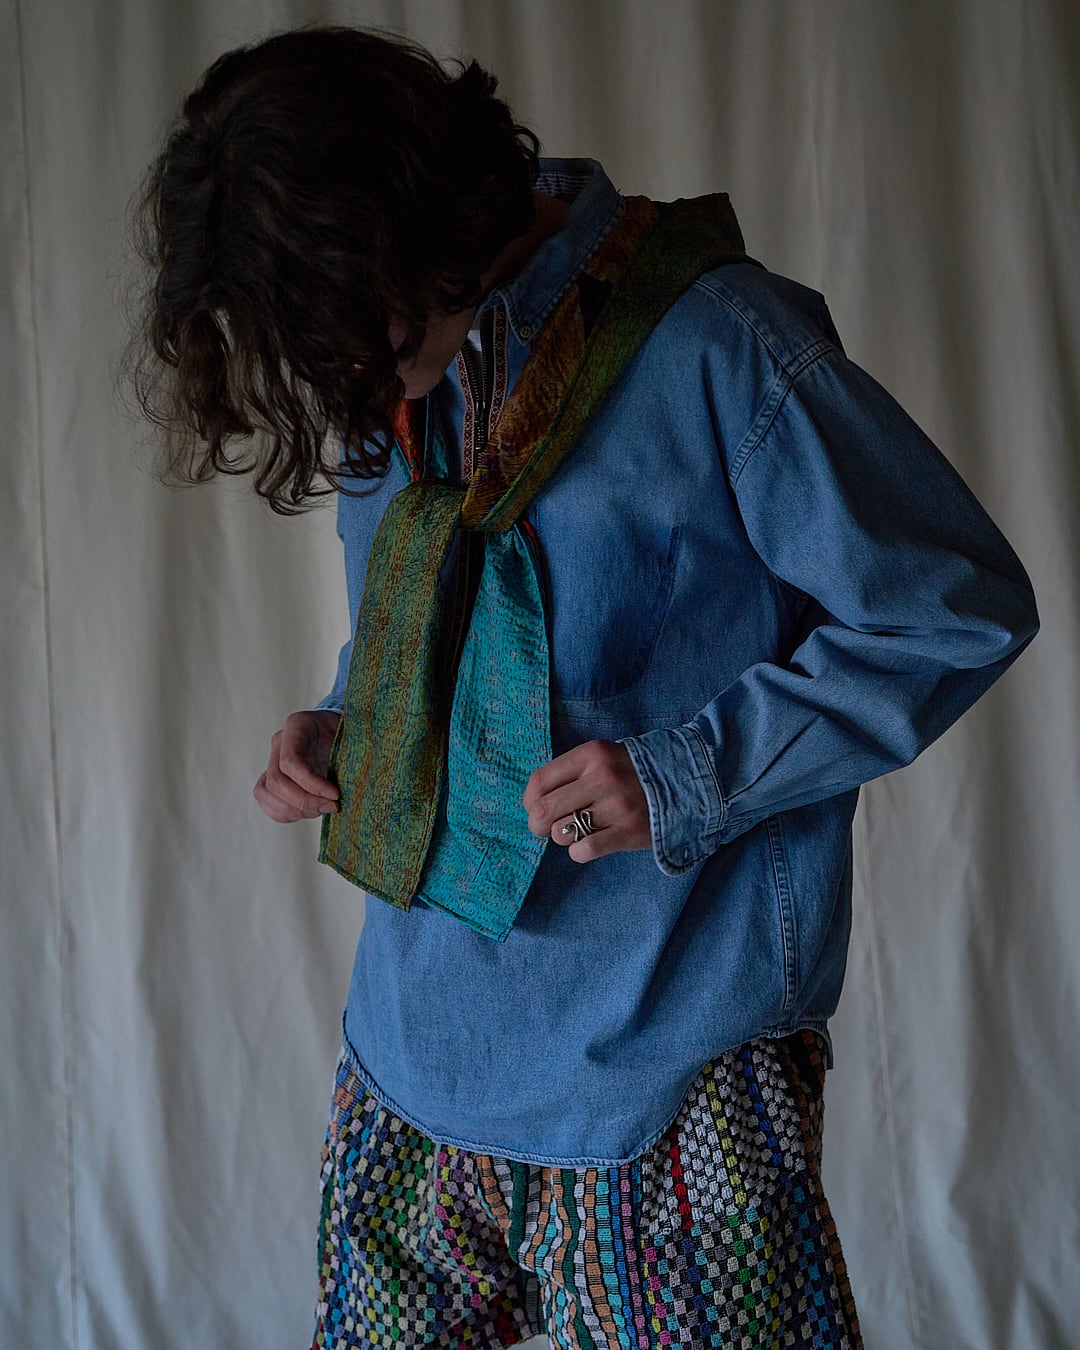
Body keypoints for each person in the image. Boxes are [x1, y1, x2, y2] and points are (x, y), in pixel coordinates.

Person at [127, 23, 1040, 1350]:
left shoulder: (716, 345)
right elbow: (424, 615)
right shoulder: (386, 363)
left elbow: (950, 607)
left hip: (673, 1070)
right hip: (413, 1057)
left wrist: (685, 774)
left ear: (412, 229)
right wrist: (352, 719)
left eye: (347, 330)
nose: (341, 379)